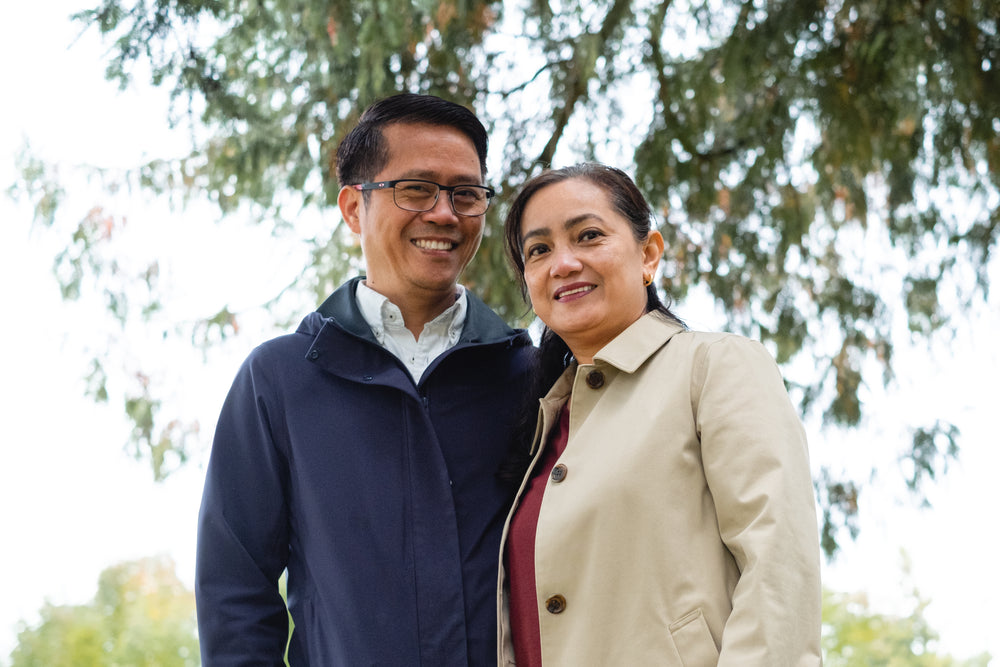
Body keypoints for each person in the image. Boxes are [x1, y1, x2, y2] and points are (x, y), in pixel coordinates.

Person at [195, 93, 535, 665]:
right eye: (417, 189)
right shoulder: (279, 379)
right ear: (354, 208)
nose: (445, 214)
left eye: (465, 194)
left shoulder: (529, 376)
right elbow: (235, 591)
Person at [496, 163, 822, 665]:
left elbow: (778, 566)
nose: (562, 263)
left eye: (588, 236)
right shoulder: (544, 425)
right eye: (538, 250)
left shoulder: (713, 366)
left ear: (648, 254)